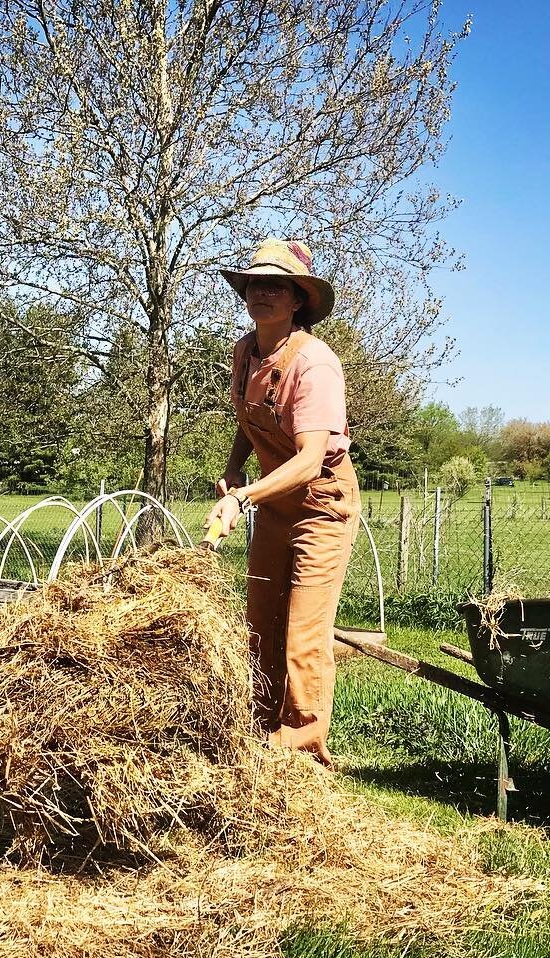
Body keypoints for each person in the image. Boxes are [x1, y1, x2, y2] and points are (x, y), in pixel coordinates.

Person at [204, 238, 361, 766]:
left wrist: (244, 496)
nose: (263, 293)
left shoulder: (315, 365)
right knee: (260, 619)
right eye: (255, 284)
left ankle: (301, 743)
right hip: (274, 501)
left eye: (278, 285)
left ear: (298, 300)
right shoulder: (246, 352)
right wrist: (234, 467)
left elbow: (311, 458)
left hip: (321, 504)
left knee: (302, 628)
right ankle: (259, 723)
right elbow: (250, 420)